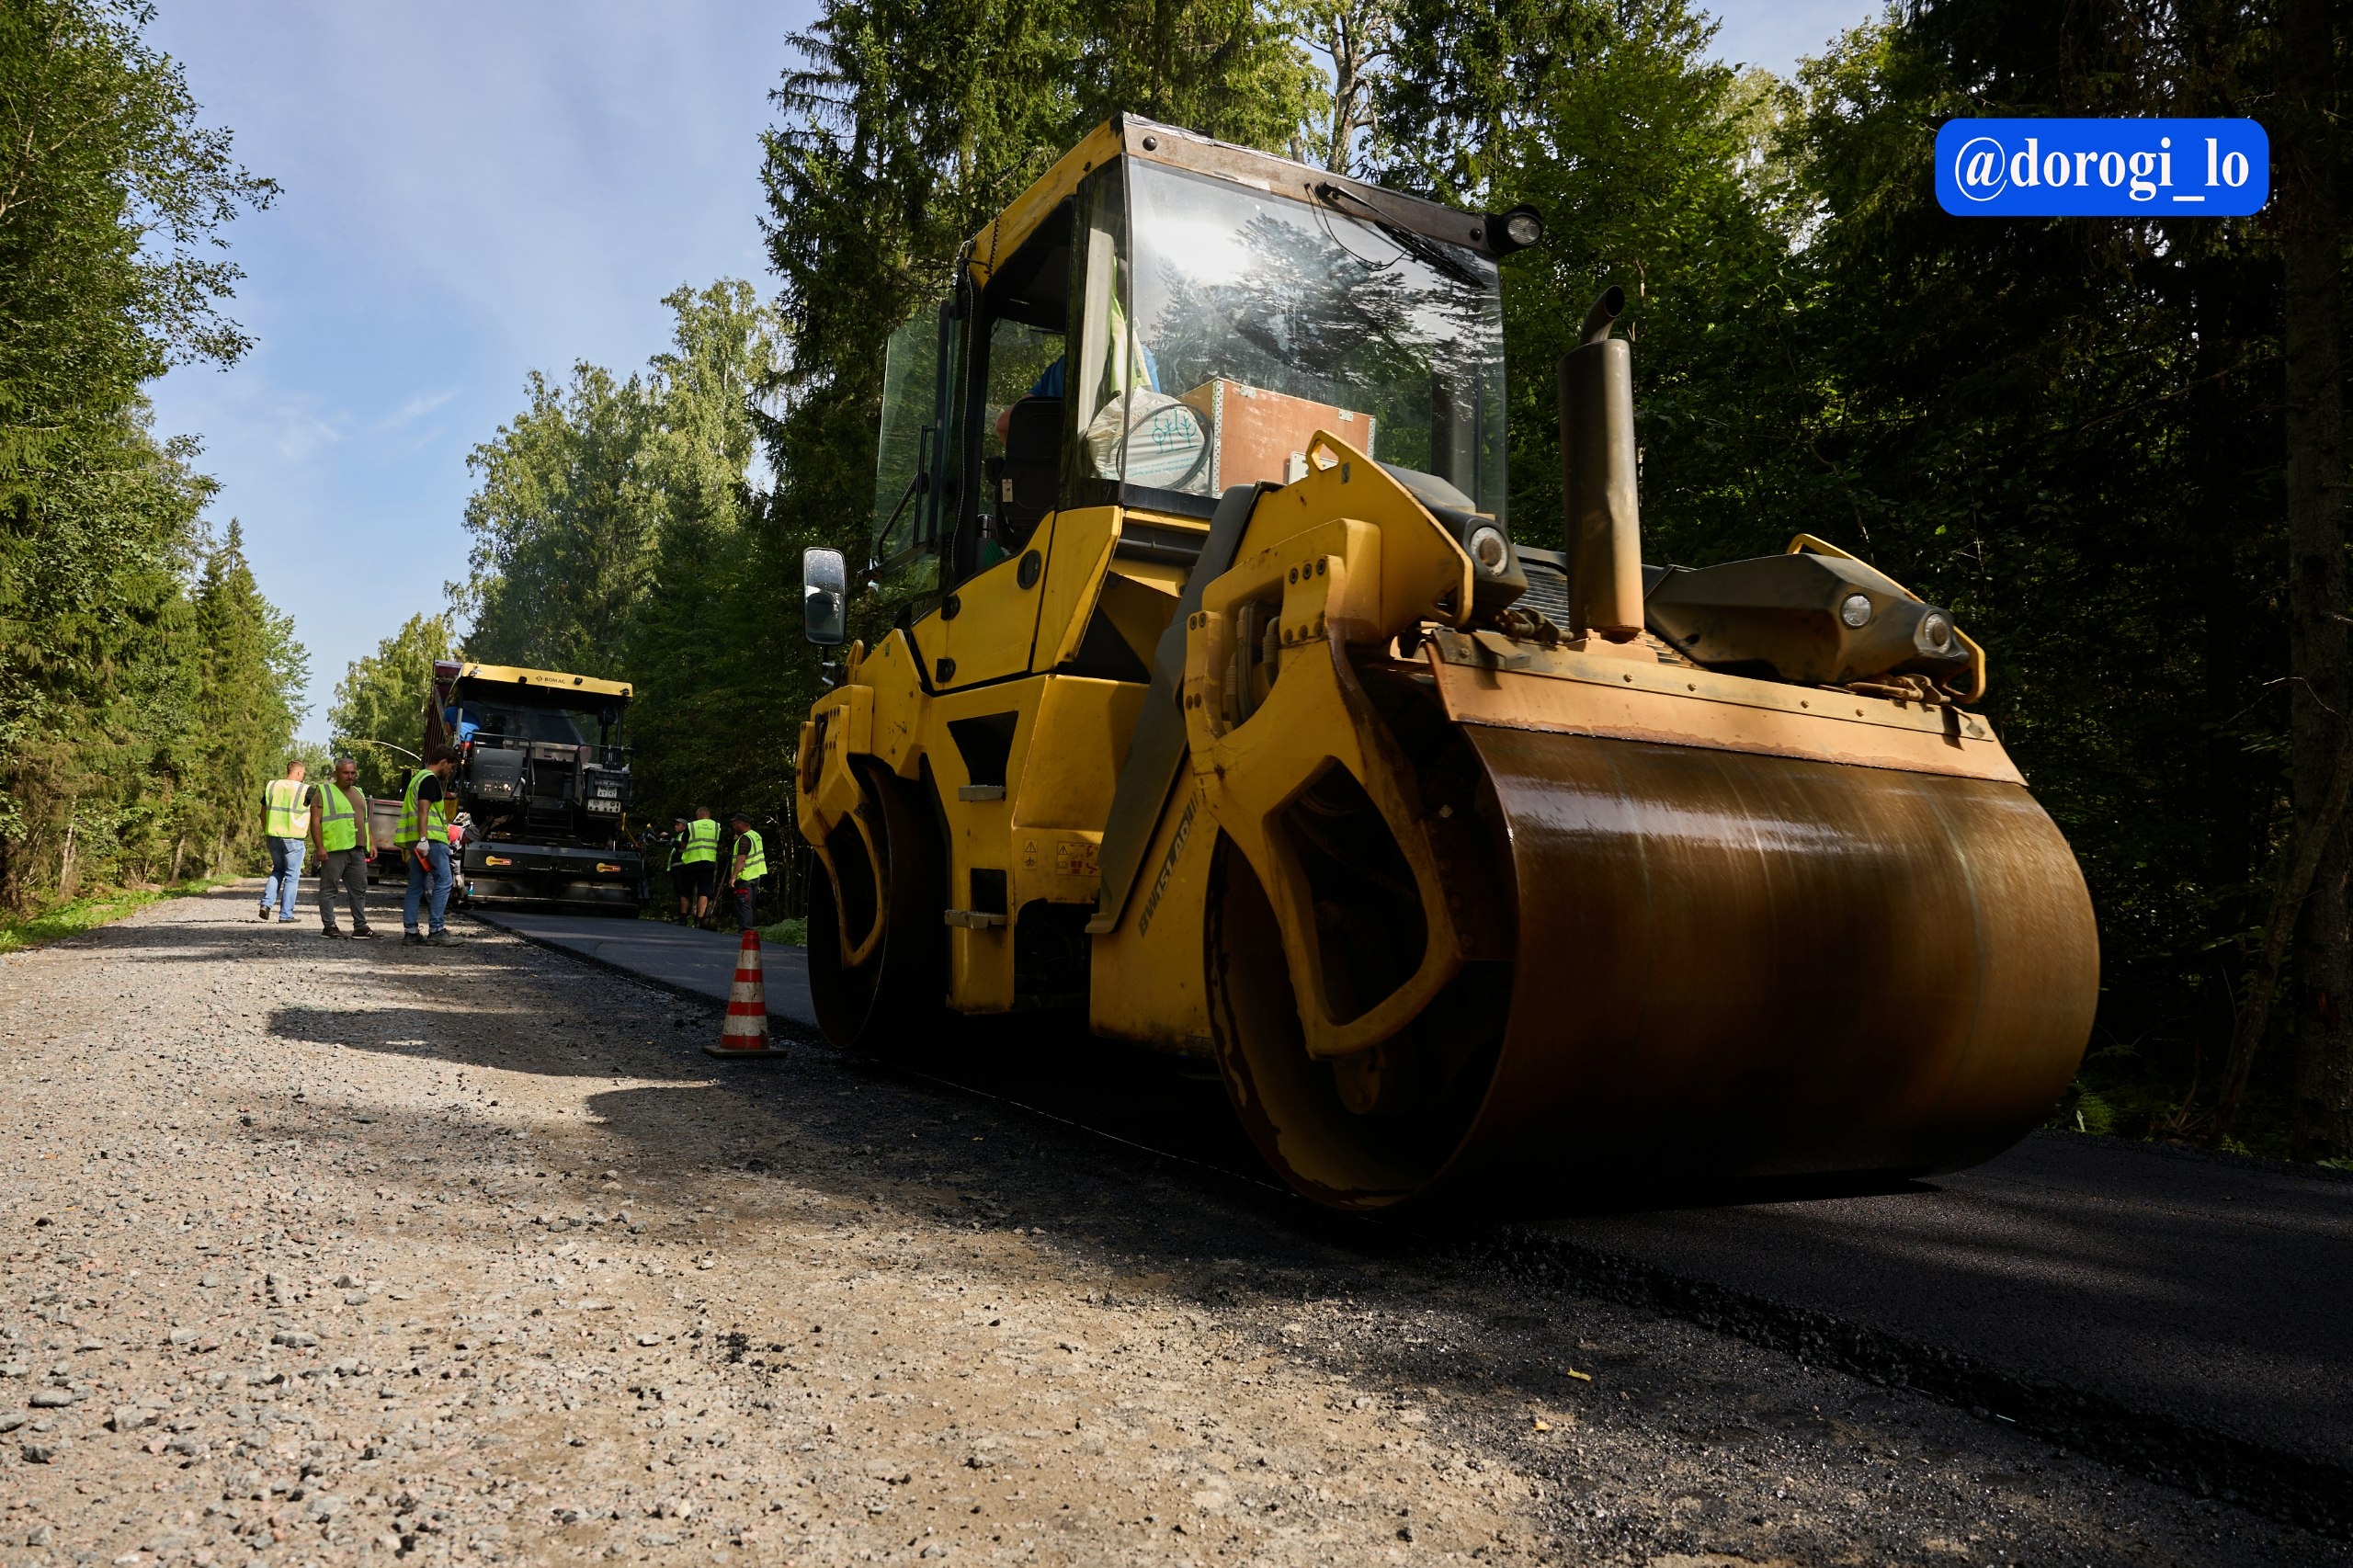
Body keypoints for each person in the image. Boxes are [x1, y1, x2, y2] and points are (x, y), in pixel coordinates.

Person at [397, 744, 461, 947]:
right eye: (450, 768)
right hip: (431, 841)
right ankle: (436, 930)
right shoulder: (429, 780)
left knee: (416, 885)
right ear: (443, 762)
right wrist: (425, 839)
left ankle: (411, 932)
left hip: (419, 842)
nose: (450, 772)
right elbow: (424, 811)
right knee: (444, 881)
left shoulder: (417, 778)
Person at [307, 756, 374, 939]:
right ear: (336, 773)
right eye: (346, 772)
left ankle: (360, 927)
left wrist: (371, 842)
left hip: (357, 848)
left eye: (353, 773)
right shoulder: (324, 791)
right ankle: (329, 926)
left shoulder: (359, 792)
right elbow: (315, 821)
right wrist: (319, 847)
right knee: (329, 888)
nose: (350, 776)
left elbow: (365, 821)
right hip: (334, 848)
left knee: (359, 889)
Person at [258, 760, 312, 923]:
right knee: (292, 876)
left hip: (273, 835)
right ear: (297, 772)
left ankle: (266, 904)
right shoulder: (307, 790)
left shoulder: (272, 786)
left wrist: (267, 832)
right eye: (302, 774)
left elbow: (262, 813)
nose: (303, 777)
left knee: (278, 870)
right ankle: (285, 915)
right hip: (294, 839)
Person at [677, 806, 721, 929]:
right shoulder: (717, 826)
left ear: (698, 815)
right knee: (704, 892)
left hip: (691, 862)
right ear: (709, 814)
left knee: (686, 891)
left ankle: (683, 918)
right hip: (708, 863)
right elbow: (721, 844)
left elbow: (683, 844)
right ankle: (699, 921)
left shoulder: (691, 826)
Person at [726, 812, 767, 934]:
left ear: (740, 824)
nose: (733, 827)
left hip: (744, 877)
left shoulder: (745, 839)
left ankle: (745, 930)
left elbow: (742, 858)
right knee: (749, 903)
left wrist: (733, 877)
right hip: (755, 875)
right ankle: (746, 929)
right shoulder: (755, 835)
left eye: (734, 824)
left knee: (743, 903)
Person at [667, 817, 692, 924]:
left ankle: (684, 916)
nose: (675, 826)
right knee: (679, 892)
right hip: (676, 867)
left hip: (681, 867)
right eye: (675, 824)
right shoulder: (679, 835)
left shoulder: (684, 835)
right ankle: (680, 915)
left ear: (684, 827)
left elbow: (681, 846)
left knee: (683, 892)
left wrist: (669, 838)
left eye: (678, 824)